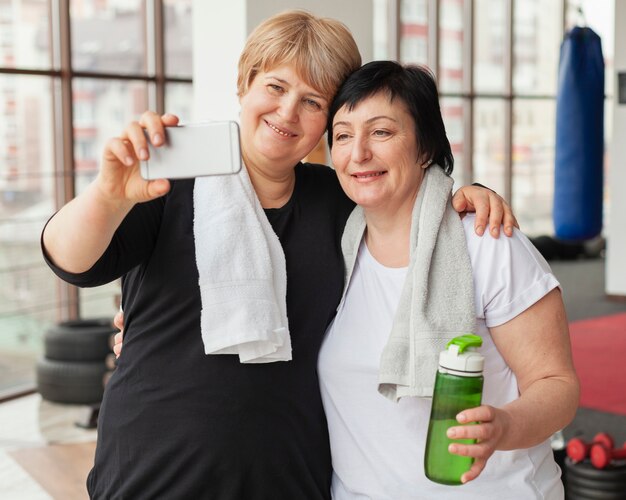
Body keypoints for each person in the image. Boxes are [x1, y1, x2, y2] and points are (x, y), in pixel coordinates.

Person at [42, 11, 516, 500]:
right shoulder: (167, 181)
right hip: (153, 472)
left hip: (289, 474)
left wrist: (468, 195)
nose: (288, 112)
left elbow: (411, 201)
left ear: (327, 123)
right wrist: (107, 194)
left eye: (312, 101)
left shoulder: (340, 199)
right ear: (245, 85)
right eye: (274, 86)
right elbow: (72, 261)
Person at [317, 60, 579, 499]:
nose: (358, 152)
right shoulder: (337, 247)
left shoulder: (486, 243)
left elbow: (557, 386)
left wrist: (506, 425)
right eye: (343, 134)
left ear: (425, 148)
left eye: (381, 132)